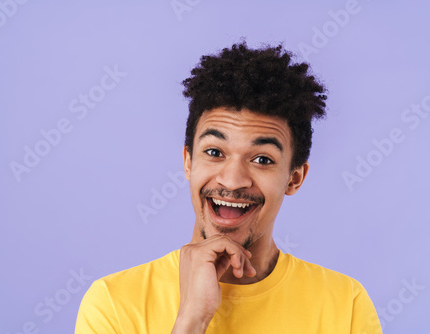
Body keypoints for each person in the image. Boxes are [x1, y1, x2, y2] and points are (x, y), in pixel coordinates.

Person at [75, 41, 382, 333]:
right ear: (188, 162)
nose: (232, 181)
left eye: (262, 159)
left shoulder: (346, 304)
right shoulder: (112, 303)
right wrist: (191, 319)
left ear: (294, 178)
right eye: (214, 152)